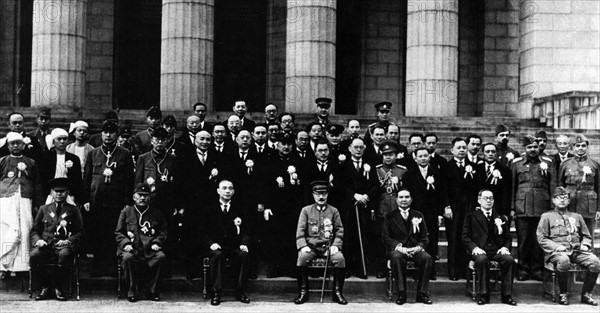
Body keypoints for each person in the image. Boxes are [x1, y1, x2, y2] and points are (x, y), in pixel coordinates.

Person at [82, 121, 135, 277]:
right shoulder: (93, 153)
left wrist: (126, 202)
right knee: (97, 233)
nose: (108, 135)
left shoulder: (124, 153)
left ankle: (112, 266)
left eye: (111, 133)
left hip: (116, 201)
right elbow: (86, 178)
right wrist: (85, 199)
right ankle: (98, 266)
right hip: (96, 200)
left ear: (116, 135)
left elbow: (128, 179)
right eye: (105, 132)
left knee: (113, 232)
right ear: (101, 134)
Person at [537, 187, 599, 306]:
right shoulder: (546, 217)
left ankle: (586, 294)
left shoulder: (577, 217)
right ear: (553, 200)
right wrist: (555, 247)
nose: (562, 201)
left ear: (569, 201)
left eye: (565, 198)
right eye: (559, 198)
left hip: (576, 251)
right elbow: (542, 238)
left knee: (595, 262)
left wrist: (585, 244)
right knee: (564, 260)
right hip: (557, 253)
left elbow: (587, 235)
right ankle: (563, 293)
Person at [30, 177, 83, 301]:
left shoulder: (73, 210)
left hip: (63, 245)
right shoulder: (44, 209)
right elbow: (34, 230)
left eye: (62, 191)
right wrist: (38, 240)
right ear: (52, 192)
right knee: (34, 256)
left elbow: (80, 232)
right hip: (46, 245)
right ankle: (44, 287)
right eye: (56, 191)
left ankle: (58, 287)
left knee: (65, 255)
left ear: (67, 193)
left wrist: (68, 241)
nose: (59, 194)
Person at [294, 180, 347, 305]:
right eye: (318, 194)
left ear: (328, 194)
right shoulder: (306, 210)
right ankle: (303, 293)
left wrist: (336, 245)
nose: (321, 197)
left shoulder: (334, 211)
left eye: (324, 194)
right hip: (310, 247)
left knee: (340, 259)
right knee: (302, 259)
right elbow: (300, 231)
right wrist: (303, 246)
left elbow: (340, 230)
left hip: (328, 247)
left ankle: (337, 293)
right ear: (313, 195)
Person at [511, 135, 556, 281]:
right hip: (522, 206)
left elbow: (553, 185)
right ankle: (523, 269)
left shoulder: (548, 163)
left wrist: (552, 207)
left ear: (539, 148)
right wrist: (512, 208)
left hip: (542, 207)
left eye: (535, 147)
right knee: (523, 240)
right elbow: (512, 187)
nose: (532, 150)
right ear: (524, 149)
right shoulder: (517, 164)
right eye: (529, 147)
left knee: (539, 240)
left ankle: (537, 269)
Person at [462, 189, 517, 306]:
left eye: (491, 198)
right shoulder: (471, 216)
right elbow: (465, 237)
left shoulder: (501, 217)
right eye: (485, 198)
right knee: (482, 260)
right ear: (479, 200)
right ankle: (483, 294)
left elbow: (508, 238)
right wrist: (474, 248)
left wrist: (505, 248)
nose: (488, 201)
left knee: (509, 260)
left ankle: (507, 295)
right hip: (479, 249)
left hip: (496, 250)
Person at [0, 132, 43, 279]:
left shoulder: (31, 162)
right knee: (7, 230)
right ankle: (4, 266)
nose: (16, 146)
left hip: (25, 198)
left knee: (25, 229)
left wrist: (37, 203)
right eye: (12, 143)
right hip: (7, 199)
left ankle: (21, 266)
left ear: (24, 145)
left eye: (18, 143)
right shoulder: (2, 161)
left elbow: (37, 184)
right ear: (8, 145)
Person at [202, 180, 251, 306]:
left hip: (234, 246)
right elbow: (203, 232)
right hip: (217, 246)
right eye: (224, 188)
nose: (227, 191)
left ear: (234, 191)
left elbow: (247, 231)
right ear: (218, 191)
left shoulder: (240, 209)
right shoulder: (209, 210)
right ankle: (216, 292)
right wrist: (211, 243)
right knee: (217, 255)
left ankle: (240, 292)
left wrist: (244, 243)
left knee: (244, 255)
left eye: (230, 188)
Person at [115, 183, 167, 302]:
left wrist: (157, 242)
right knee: (127, 258)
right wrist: (126, 243)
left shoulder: (156, 213)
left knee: (161, 257)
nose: (142, 198)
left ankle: (152, 291)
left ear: (150, 197)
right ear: (134, 197)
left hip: (149, 249)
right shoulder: (126, 212)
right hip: (132, 248)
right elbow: (118, 232)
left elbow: (163, 231)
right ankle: (132, 290)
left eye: (145, 195)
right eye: (140, 195)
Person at [382, 188, 433, 305]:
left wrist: (418, 247)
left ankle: (422, 293)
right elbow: (386, 238)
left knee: (427, 258)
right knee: (396, 257)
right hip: (399, 250)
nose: (404, 200)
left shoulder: (418, 215)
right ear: (396, 200)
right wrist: (400, 248)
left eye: (406, 197)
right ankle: (401, 293)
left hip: (416, 249)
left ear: (411, 199)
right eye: (401, 197)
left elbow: (425, 237)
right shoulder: (389, 217)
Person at [403, 147, 448, 280]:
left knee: (432, 240)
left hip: (431, 213)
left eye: (425, 156)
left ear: (429, 157)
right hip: (415, 213)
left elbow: (442, 195)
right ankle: (416, 270)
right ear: (415, 158)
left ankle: (430, 270)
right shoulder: (409, 174)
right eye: (420, 156)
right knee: (415, 238)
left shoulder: (436, 174)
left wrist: (440, 213)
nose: (423, 158)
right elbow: (406, 195)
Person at [338, 138, 377, 278]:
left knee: (364, 236)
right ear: (350, 148)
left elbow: (375, 185)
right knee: (348, 236)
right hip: (349, 207)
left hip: (364, 206)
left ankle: (361, 267)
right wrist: (354, 195)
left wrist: (366, 195)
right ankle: (347, 267)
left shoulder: (369, 165)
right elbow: (340, 185)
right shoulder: (342, 165)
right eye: (356, 147)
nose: (359, 150)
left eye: (361, 147)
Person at [444, 137, 480, 280]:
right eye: (458, 148)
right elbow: (444, 189)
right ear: (452, 150)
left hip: (469, 208)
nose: (461, 150)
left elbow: (477, 188)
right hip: (454, 208)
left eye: (464, 147)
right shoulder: (447, 167)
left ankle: (467, 270)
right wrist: (447, 206)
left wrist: (476, 206)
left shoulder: (474, 167)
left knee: (467, 239)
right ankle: (453, 271)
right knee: (453, 239)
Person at [373, 141, 407, 278]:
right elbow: (374, 190)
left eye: (391, 154)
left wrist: (397, 183)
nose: (388, 157)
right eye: (385, 154)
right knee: (382, 239)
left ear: (396, 155)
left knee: (397, 238)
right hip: (383, 208)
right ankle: (382, 267)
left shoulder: (402, 170)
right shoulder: (376, 169)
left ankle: (397, 265)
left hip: (398, 208)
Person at [557, 134, 600, 242]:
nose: (580, 148)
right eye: (577, 145)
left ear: (587, 147)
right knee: (570, 235)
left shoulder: (594, 165)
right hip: (570, 204)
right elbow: (560, 186)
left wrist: (598, 208)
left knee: (588, 236)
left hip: (588, 205)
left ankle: (587, 258)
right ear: (573, 147)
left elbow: (598, 187)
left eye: (583, 145)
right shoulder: (565, 164)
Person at [40, 128, 82, 205]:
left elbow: (77, 180)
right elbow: (43, 179)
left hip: (68, 193)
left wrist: (74, 195)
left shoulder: (74, 159)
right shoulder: (46, 158)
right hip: (51, 193)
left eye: (64, 139)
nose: (62, 141)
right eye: (59, 139)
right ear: (53, 141)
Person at [476, 143, 512, 219]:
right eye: (487, 151)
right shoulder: (477, 168)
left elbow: (506, 192)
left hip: (497, 209)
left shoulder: (504, 170)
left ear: (496, 153)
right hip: (479, 208)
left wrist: (504, 212)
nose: (490, 154)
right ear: (483, 153)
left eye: (493, 152)